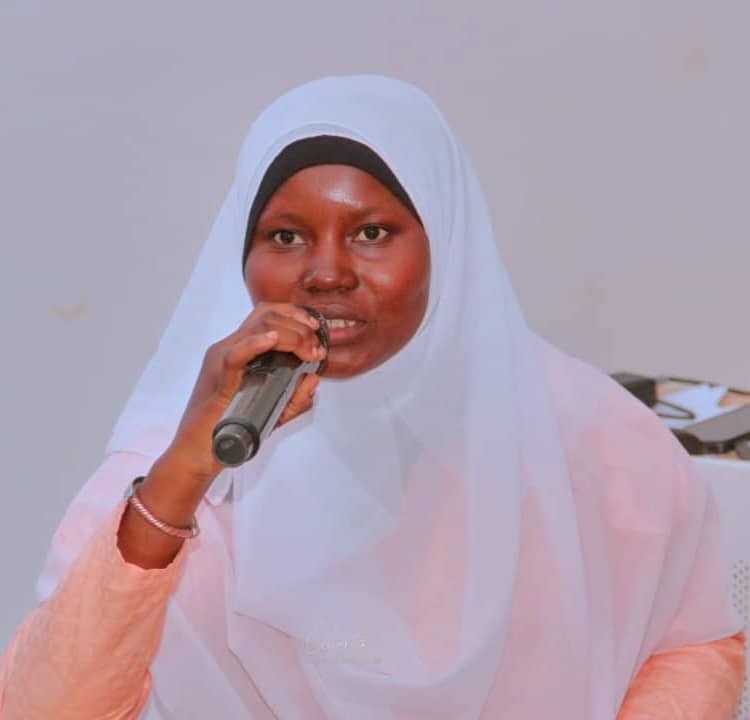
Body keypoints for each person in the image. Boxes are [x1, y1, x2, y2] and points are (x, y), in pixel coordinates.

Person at [0, 75, 744, 719]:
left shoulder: (587, 437)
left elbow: (695, 644)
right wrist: (186, 470)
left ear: (445, 244)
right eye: (286, 237)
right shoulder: (184, 457)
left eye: (372, 232)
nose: (326, 274)